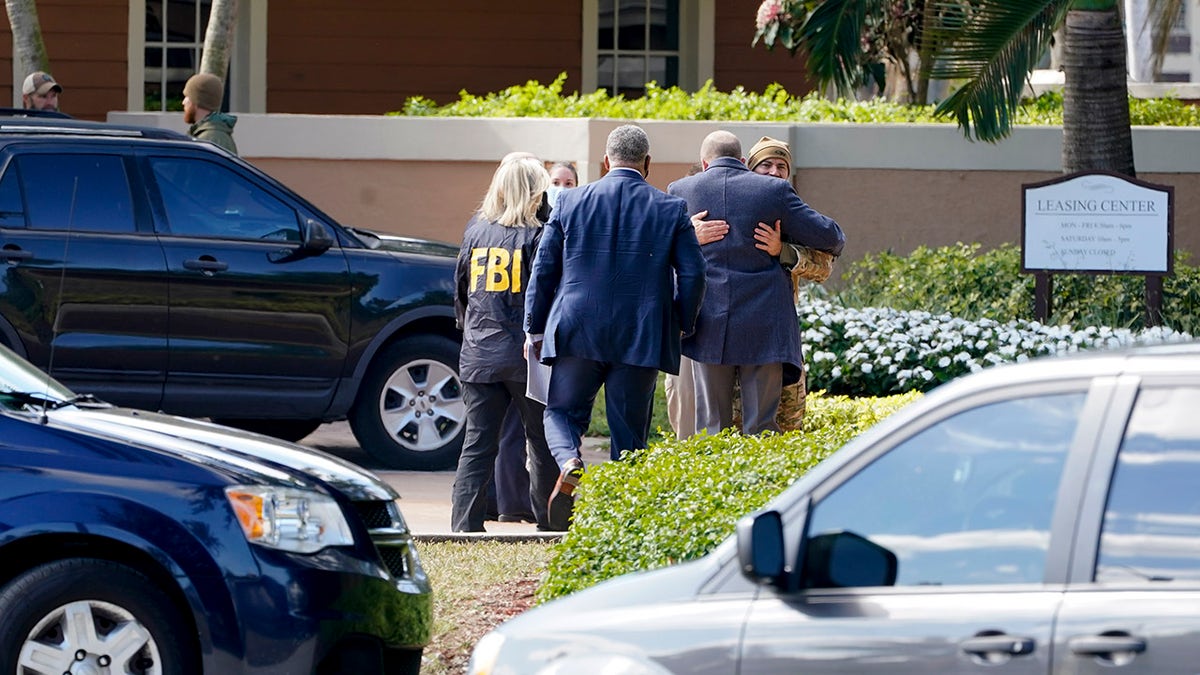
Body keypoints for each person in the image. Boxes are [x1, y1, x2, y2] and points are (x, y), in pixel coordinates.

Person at [525, 124, 706, 530]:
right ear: (647, 164)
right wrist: (682, 323)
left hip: (576, 328)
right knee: (630, 435)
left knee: (560, 413)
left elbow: (544, 269)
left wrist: (533, 328)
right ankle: (619, 522)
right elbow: (694, 275)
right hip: (641, 333)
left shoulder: (569, 201)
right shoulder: (670, 208)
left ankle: (570, 461)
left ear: (606, 162)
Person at [668, 130, 844, 436]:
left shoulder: (679, 190)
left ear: (704, 162)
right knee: (762, 428)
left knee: (711, 428)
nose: (774, 173)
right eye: (767, 165)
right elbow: (831, 237)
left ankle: (709, 483)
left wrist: (686, 235)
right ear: (743, 161)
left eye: (781, 167)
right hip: (765, 325)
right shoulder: (774, 194)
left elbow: (654, 249)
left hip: (706, 323)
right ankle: (760, 482)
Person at [450, 155, 560, 532]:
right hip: (525, 357)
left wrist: (472, 335)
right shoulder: (541, 233)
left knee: (478, 444)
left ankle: (463, 527)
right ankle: (551, 524)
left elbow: (461, 292)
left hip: (479, 353)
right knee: (542, 442)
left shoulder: (476, 230)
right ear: (535, 191)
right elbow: (548, 295)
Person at [493, 159, 581, 524]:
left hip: (519, 343)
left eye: (568, 182)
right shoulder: (539, 232)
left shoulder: (484, 230)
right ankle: (526, 507)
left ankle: (524, 505)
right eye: (555, 182)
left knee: (521, 429)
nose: (561, 188)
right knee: (525, 429)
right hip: (529, 342)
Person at [183, 73, 238, 155]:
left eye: (187, 97)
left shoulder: (210, 140)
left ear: (197, 101)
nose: (183, 102)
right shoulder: (213, 136)